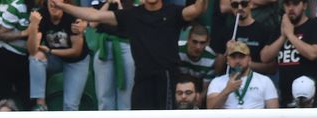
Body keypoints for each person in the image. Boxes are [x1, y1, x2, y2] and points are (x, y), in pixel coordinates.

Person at [57, 0, 207, 109]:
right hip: (142, 78)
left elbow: (197, 9)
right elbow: (94, 15)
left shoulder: (173, 12)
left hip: (167, 78)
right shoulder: (132, 15)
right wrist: (62, 5)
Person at [259, 0, 317, 107]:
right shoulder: (279, 29)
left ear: (304, 5)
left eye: (295, 4)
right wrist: (282, 36)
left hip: (313, 100)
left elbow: (313, 53)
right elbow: (264, 57)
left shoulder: (315, 25)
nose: (291, 8)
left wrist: (290, 35)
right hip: (287, 98)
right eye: (287, 4)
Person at [25, 0, 89, 112]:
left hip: (76, 61)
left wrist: (51, 51)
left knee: (70, 105)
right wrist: (34, 26)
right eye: (52, 3)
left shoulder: (72, 16)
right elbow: (32, 51)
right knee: (36, 58)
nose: (54, 5)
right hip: (56, 59)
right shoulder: (41, 14)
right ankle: (40, 104)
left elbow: (76, 51)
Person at [85, 0, 133, 111]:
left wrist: (119, 4)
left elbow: (129, 23)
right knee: (104, 93)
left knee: (126, 93)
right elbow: (92, 23)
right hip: (104, 47)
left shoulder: (129, 2)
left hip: (125, 45)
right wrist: (107, 4)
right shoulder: (98, 2)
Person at [210, 0, 278, 76]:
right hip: (230, 80)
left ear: (251, 4)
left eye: (244, 4)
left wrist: (245, 64)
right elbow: (217, 70)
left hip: (255, 82)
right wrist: (226, 53)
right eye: (235, 5)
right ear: (231, 7)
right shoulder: (226, 32)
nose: (240, 8)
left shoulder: (265, 31)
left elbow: (272, 68)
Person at [0, 0, 32, 110]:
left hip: (25, 58)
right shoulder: (17, 6)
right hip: (4, 56)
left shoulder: (43, 8)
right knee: (2, 101)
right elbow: (2, 34)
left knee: (28, 100)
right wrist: (24, 33)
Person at [177, 23, 217, 91]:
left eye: (202, 43)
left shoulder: (211, 59)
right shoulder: (176, 50)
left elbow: (205, 90)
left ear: (208, 42)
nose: (198, 47)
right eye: (194, 42)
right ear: (188, 40)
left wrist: (198, 101)